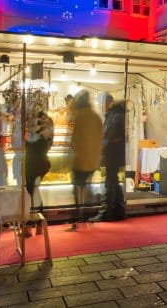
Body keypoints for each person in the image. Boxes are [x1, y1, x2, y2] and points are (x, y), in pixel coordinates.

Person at [66, 90, 103, 231]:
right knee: (87, 187)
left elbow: (75, 139)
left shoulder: (80, 116)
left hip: (81, 159)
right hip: (93, 160)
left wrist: (74, 152)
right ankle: (89, 217)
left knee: (77, 188)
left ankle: (77, 219)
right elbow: (101, 136)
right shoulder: (95, 116)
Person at [90, 94, 126, 222]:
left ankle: (106, 212)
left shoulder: (115, 116)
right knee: (114, 182)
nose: (101, 106)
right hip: (114, 154)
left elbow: (112, 136)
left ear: (107, 103)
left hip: (112, 155)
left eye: (101, 103)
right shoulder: (115, 114)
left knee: (109, 183)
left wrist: (102, 145)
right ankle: (119, 211)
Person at [24, 110, 53, 236]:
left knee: (31, 193)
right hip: (41, 165)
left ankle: (30, 226)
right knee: (35, 192)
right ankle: (39, 224)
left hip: (32, 166)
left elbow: (27, 144)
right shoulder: (46, 134)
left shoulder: (34, 134)